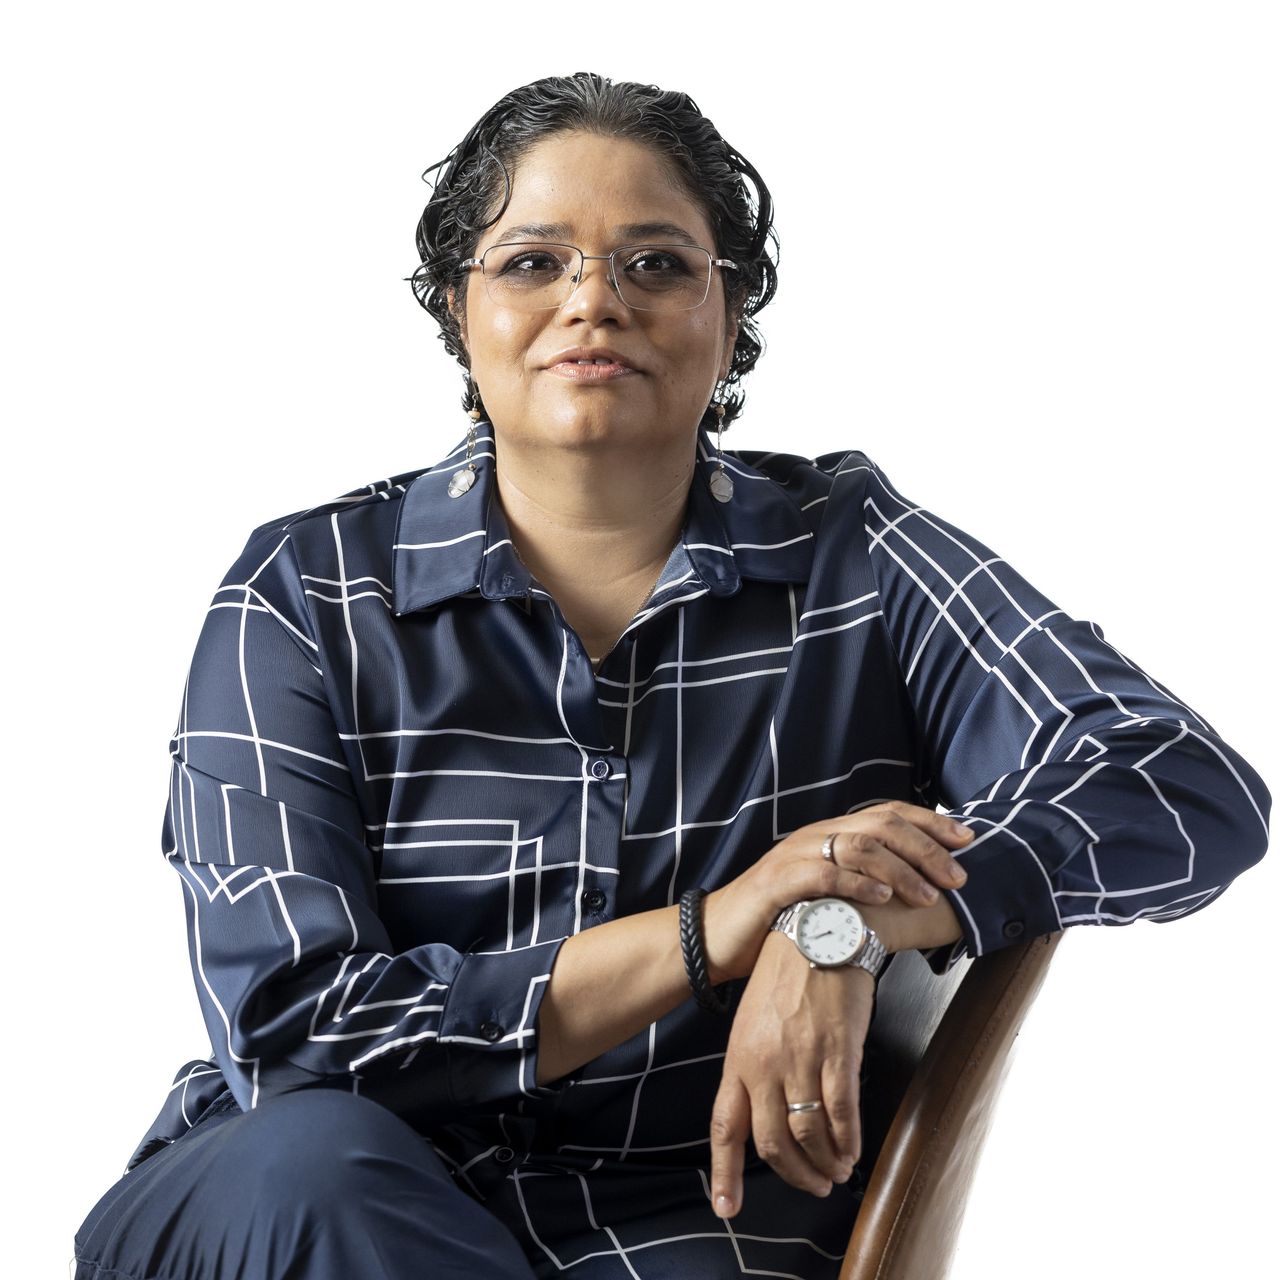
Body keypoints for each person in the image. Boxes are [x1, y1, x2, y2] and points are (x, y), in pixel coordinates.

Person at [72, 71, 1271, 1280]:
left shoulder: (855, 553)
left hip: (689, 1208)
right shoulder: (304, 590)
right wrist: (712, 929)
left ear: (730, 309)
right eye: (532, 262)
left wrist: (837, 919)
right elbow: (295, 1036)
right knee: (313, 1163)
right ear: (455, 308)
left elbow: (1175, 782)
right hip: (310, 1204)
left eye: (653, 263)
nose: (592, 301)